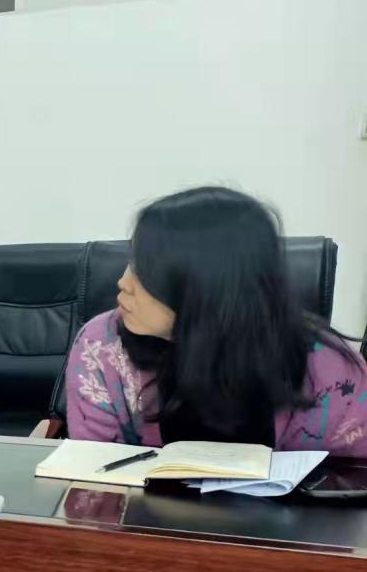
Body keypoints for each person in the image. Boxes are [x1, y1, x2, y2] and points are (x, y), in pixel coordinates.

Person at [67, 186, 367, 455]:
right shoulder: (101, 345)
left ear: (207, 290)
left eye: (145, 272)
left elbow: (352, 479)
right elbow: (90, 474)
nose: (123, 283)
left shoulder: (328, 366)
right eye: (132, 262)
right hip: (142, 501)